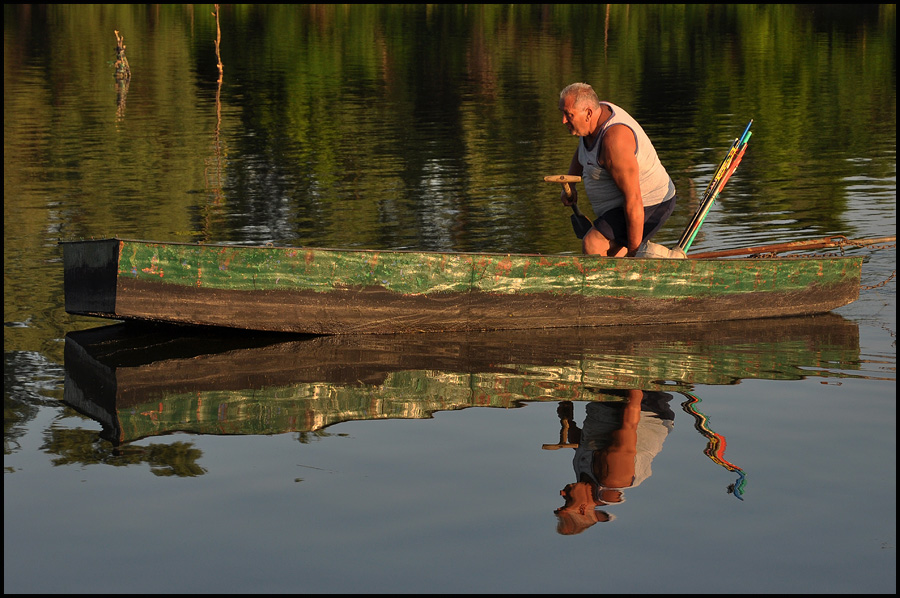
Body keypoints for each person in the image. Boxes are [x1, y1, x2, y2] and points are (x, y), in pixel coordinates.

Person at [558, 82, 677, 256]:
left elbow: (634, 200)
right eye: (562, 113)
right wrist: (571, 181)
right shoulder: (592, 120)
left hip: (650, 202)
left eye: (569, 115)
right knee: (612, 253)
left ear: (588, 113)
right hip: (620, 206)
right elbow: (583, 149)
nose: (563, 120)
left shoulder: (615, 143)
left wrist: (634, 254)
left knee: (593, 243)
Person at [553, 390, 675, 535]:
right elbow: (629, 426)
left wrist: (568, 420)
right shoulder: (614, 478)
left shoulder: (584, 480)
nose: (562, 493)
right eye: (567, 502)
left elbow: (584, 446)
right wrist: (635, 385)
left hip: (609, 403)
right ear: (582, 509)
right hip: (644, 405)